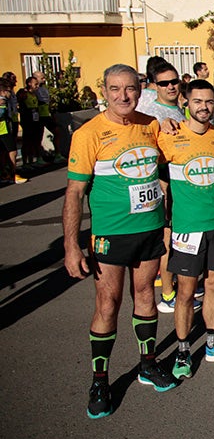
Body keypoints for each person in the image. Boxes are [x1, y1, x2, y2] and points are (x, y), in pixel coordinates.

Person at [63, 64, 177, 419]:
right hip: (111, 234)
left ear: (140, 89)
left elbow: (167, 162)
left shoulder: (151, 125)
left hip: (149, 229)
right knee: (107, 304)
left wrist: (178, 126)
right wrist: (70, 245)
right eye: (115, 89)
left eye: (130, 88)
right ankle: (100, 380)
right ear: (104, 90)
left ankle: (147, 363)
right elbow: (75, 192)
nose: (123, 96)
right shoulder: (89, 133)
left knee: (145, 295)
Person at [157, 79, 214, 377]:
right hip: (186, 228)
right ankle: (183, 351)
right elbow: (156, 174)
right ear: (186, 103)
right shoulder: (168, 136)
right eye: (198, 101)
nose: (204, 107)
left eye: (209, 102)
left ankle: (212, 345)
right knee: (185, 292)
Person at [134, 60, 186, 306]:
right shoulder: (153, 112)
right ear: (155, 86)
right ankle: (167, 295)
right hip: (164, 183)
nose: (170, 86)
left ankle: (172, 285)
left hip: (177, 182)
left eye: (174, 81)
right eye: (164, 83)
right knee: (168, 240)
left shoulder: (175, 109)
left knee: (174, 237)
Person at [0, 79, 27, 184]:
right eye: (9, 91)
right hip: (3, 129)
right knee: (12, 151)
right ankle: (12, 174)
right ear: (3, 91)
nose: (10, 93)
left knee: (3, 152)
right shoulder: (2, 101)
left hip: (5, 128)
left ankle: (4, 174)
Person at [33, 70, 62, 159]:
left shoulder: (44, 88)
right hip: (39, 116)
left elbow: (48, 102)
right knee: (38, 136)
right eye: (42, 78)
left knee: (56, 132)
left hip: (47, 114)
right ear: (36, 78)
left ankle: (58, 154)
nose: (44, 80)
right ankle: (39, 157)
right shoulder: (34, 90)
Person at [17, 74, 42, 169]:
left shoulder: (34, 94)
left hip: (35, 119)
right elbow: (19, 105)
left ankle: (32, 161)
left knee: (34, 141)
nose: (37, 86)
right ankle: (25, 162)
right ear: (29, 84)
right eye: (35, 84)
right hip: (27, 120)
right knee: (27, 141)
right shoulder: (23, 93)